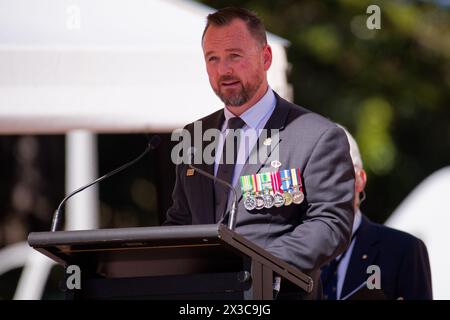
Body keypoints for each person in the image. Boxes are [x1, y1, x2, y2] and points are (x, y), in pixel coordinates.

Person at [164, 7, 355, 299]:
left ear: (265, 58)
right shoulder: (194, 137)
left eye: (234, 56)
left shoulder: (315, 135)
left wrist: (259, 263)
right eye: (212, 59)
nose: (223, 70)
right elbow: (180, 221)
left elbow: (330, 224)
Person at [321, 126, 433, 300]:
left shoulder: (402, 250)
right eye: (317, 175)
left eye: (338, 172)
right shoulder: (293, 252)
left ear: (360, 180)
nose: (328, 185)